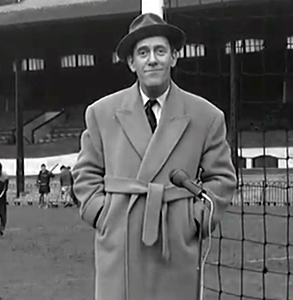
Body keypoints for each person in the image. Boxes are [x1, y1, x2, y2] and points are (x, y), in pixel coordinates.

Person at [72, 13, 237, 300]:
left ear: (174, 58)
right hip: (119, 242)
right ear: (131, 63)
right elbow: (85, 175)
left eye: (160, 51)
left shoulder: (206, 116)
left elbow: (221, 179)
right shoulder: (100, 113)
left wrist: (192, 221)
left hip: (175, 243)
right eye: (143, 53)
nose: (152, 60)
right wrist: (104, 215)